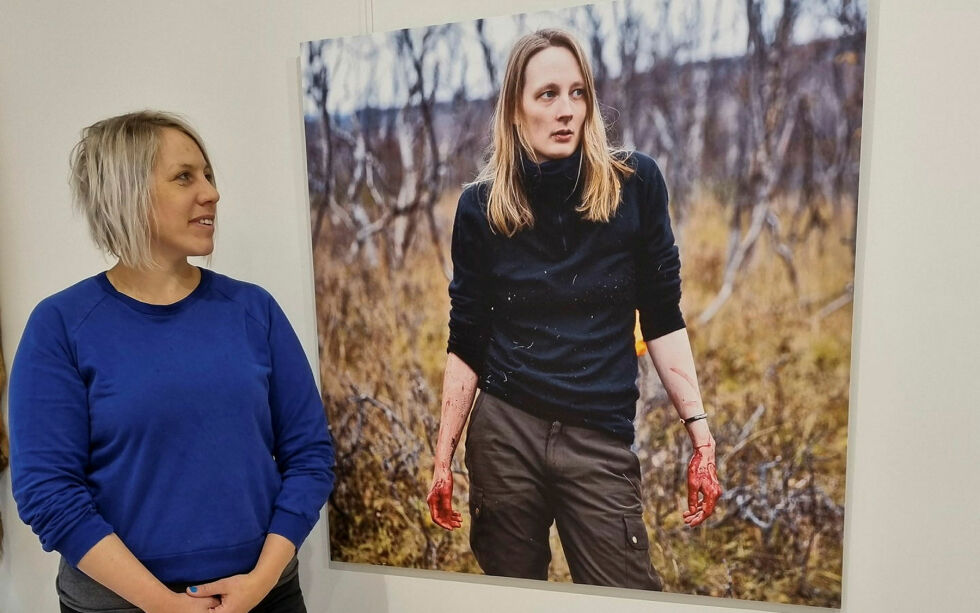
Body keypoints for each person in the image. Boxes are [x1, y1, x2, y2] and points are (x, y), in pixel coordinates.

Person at [425, 29, 722, 589]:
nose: (566, 111)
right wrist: (443, 458)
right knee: (513, 598)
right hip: (505, 432)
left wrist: (700, 436)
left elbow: (662, 316)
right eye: (547, 95)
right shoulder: (480, 208)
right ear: (516, 108)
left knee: (627, 594)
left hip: (597, 434)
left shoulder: (635, 185)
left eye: (578, 93)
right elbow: (466, 338)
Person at [9, 111, 335, 613]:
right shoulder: (61, 325)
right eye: (185, 177)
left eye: (208, 175)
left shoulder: (254, 310)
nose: (211, 193)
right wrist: (164, 605)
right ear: (126, 192)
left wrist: (261, 582)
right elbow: (48, 494)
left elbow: (310, 456)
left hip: (265, 598)